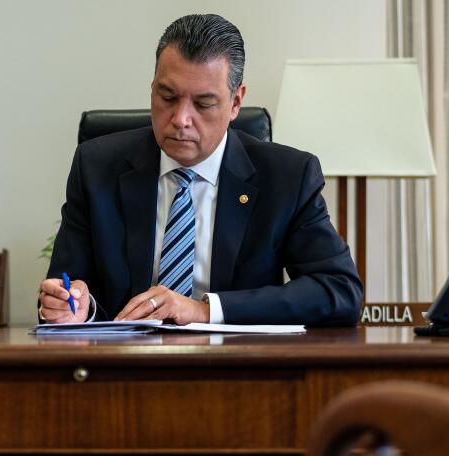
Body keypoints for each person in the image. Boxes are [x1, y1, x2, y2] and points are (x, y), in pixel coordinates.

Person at [39, 14, 363, 326]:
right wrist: (76, 307)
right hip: (125, 368)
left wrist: (204, 310)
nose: (181, 119)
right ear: (152, 89)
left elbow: (339, 290)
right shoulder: (96, 168)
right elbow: (66, 290)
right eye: (168, 97)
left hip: (235, 371)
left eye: (203, 104)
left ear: (236, 102)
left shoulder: (288, 176)